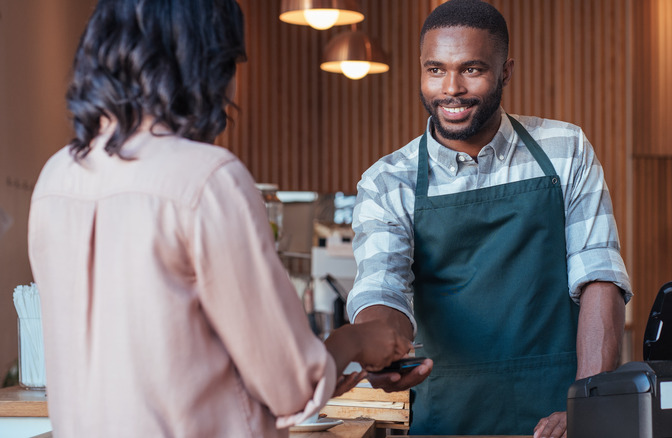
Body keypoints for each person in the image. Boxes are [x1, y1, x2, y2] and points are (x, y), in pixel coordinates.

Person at [27, 1, 410, 437]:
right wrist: (354, 341)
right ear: (208, 63)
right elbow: (289, 384)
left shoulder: (56, 179)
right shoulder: (207, 179)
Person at [346, 0, 632, 437]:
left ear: (505, 72)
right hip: (447, 415)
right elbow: (382, 286)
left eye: (472, 69)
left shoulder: (564, 148)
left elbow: (600, 276)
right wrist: (377, 350)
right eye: (436, 69)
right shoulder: (388, 180)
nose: (451, 88)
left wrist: (586, 403)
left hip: (558, 410)